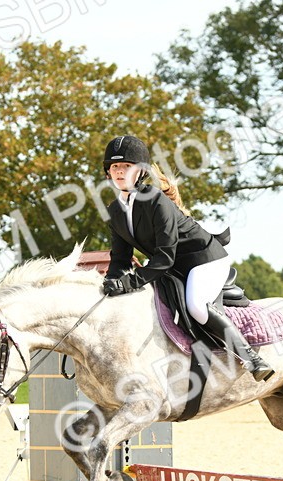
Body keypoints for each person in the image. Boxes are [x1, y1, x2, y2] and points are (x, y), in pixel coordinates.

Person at [99, 134, 273, 381]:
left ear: (140, 172)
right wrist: (112, 281)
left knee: (198, 307)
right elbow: (120, 258)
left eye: (126, 166)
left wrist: (130, 282)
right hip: (173, 267)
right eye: (115, 166)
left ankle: (251, 358)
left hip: (203, 259)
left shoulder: (155, 201)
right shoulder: (114, 211)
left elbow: (164, 257)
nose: (119, 171)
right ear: (108, 172)